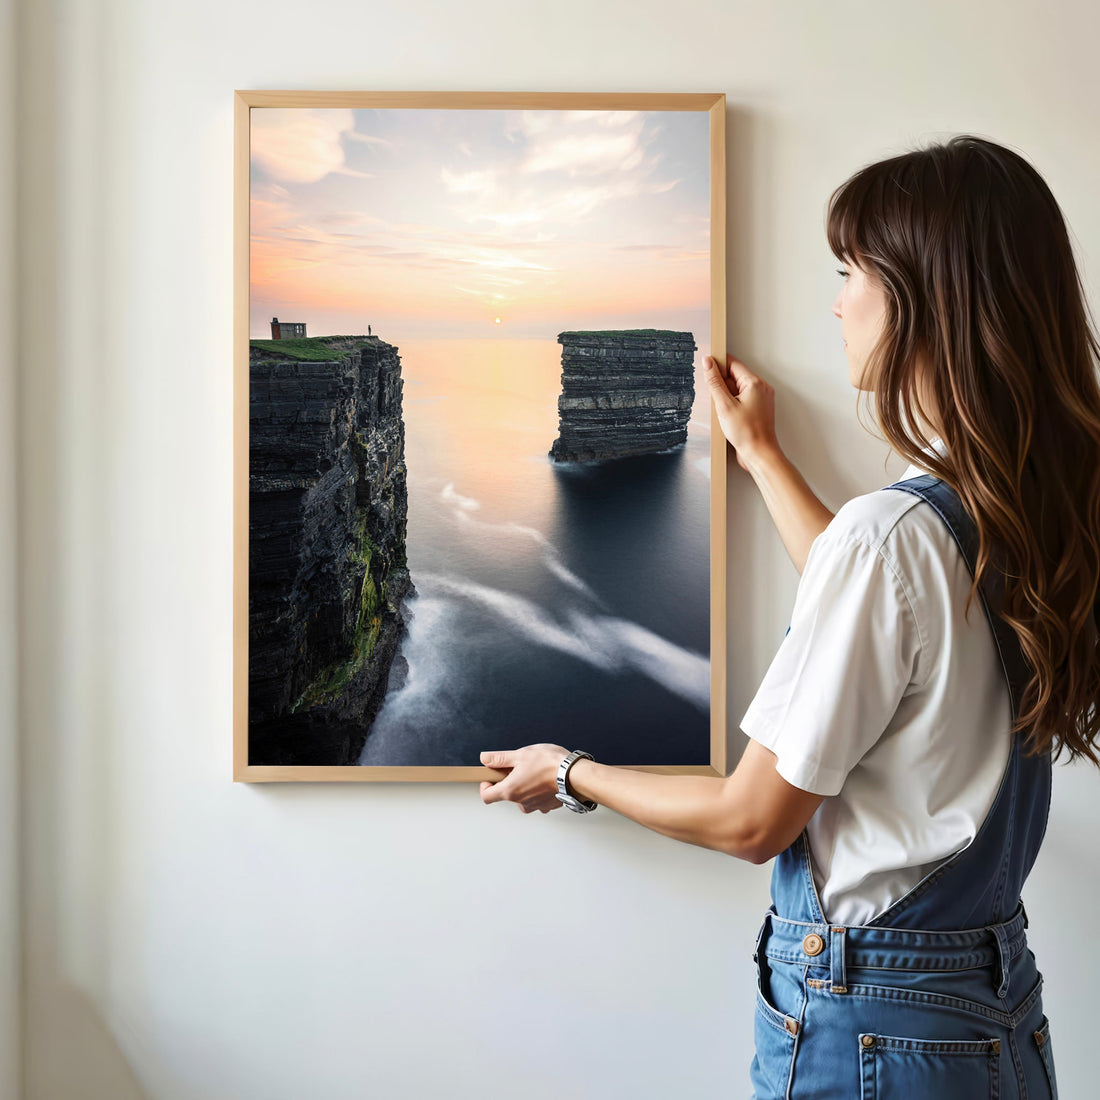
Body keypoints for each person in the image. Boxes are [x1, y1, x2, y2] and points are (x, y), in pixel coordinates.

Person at [478, 134, 1100, 1098]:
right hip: (988, 1013)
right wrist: (763, 456)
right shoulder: (1020, 507)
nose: (838, 300)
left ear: (925, 300)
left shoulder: (894, 535)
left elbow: (750, 819)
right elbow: (892, 625)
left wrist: (569, 771)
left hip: (874, 1029)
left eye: (852, 272)